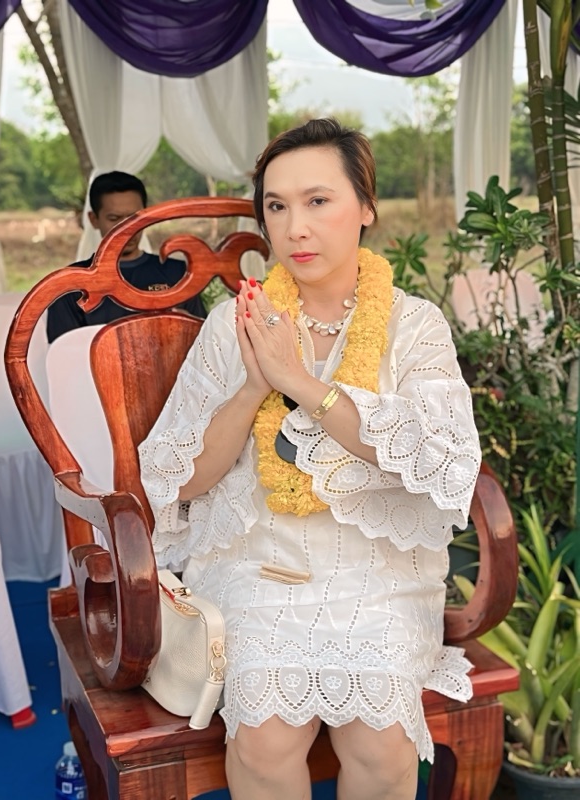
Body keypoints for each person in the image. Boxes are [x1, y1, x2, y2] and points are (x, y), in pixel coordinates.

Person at [138, 118, 481, 800]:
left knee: (381, 744)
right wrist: (253, 386)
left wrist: (298, 381)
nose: (295, 228)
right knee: (265, 739)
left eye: (318, 200)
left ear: (366, 207)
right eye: (277, 206)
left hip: (378, 574)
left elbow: (440, 459)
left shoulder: (414, 325)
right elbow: (183, 479)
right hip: (260, 565)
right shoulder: (234, 324)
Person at [46, 171, 206, 343]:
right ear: (93, 219)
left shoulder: (178, 273)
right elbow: (63, 352)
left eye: (134, 218)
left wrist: (188, 328)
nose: (126, 228)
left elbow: (204, 343)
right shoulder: (71, 284)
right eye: (114, 218)